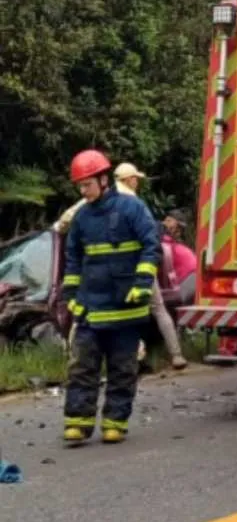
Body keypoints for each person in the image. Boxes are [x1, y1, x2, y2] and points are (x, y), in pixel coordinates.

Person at [61, 150, 160, 445]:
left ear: (104, 180)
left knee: (122, 370)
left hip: (126, 309)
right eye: (79, 186)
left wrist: (143, 283)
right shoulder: (81, 218)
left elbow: (150, 245)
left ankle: (115, 423)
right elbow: (73, 259)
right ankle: (78, 423)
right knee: (81, 368)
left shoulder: (133, 209)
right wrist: (71, 296)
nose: (83, 191)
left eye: (87, 185)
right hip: (91, 310)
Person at [113, 163, 187, 370]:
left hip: (118, 270)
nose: (137, 181)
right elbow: (151, 240)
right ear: (128, 180)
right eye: (135, 178)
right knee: (158, 309)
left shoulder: (106, 202)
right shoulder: (136, 205)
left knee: (126, 314)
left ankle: (134, 358)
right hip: (141, 268)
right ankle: (176, 355)